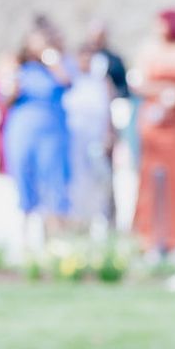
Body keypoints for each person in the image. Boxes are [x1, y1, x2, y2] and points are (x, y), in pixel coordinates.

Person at [132, 7, 175, 257]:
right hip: (155, 120)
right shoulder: (148, 49)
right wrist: (162, 92)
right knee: (152, 174)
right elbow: (139, 83)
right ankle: (149, 231)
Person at [3, 24, 73, 249]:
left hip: (52, 132)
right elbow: (6, 98)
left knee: (53, 179)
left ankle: (55, 239)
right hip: (22, 129)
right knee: (24, 176)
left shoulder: (57, 64)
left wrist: (50, 59)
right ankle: (24, 241)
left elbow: (68, 82)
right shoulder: (19, 67)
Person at [65, 33, 118, 234]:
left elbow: (108, 110)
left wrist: (109, 135)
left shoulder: (102, 83)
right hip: (75, 139)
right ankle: (77, 225)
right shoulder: (71, 81)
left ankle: (101, 224)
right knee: (77, 185)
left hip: (96, 139)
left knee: (99, 183)